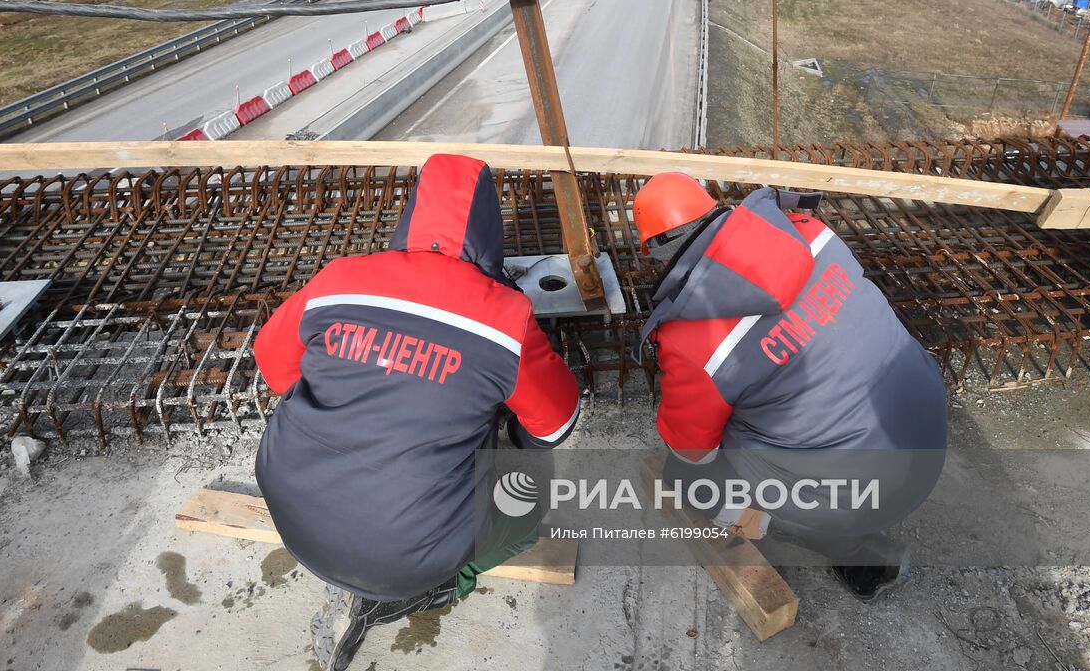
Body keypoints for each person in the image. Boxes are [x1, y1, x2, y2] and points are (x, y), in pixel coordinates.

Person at [254, 153, 580, 669]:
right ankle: (423, 592)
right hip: (406, 558)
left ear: (408, 218)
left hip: (292, 513)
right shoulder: (504, 315)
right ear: (489, 232)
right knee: (527, 501)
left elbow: (275, 369)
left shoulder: (338, 278)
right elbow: (555, 425)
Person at [631, 173, 947, 601]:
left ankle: (840, 546)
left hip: (871, 493)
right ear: (712, 208)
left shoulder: (693, 341)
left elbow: (692, 450)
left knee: (691, 479)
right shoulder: (810, 232)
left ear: (655, 249)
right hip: (928, 428)